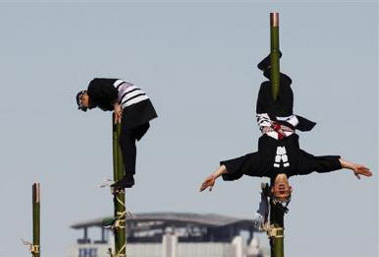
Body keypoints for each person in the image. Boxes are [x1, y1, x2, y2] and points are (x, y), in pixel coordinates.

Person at [200, 54, 372, 201]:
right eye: (285, 193)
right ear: (291, 189)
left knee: (271, 85)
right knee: (285, 83)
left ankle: (267, 68)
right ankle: (266, 67)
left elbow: (236, 164)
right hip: (288, 117)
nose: (282, 191)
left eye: (278, 193)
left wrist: (214, 175)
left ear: (272, 190)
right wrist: (353, 166)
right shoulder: (299, 166)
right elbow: (324, 163)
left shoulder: (261, 167)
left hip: (267, 117)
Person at [76, 78, 158, 189]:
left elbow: (112, 92)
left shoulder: (93, 87)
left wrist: (116, 104)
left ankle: (129, 177)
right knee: (129, 138)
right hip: (141, 99)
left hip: (131, 99)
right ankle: (129, 173)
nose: (89, 108)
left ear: (83, 96)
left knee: (124, 139)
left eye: (85, 105)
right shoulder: (103, 103)